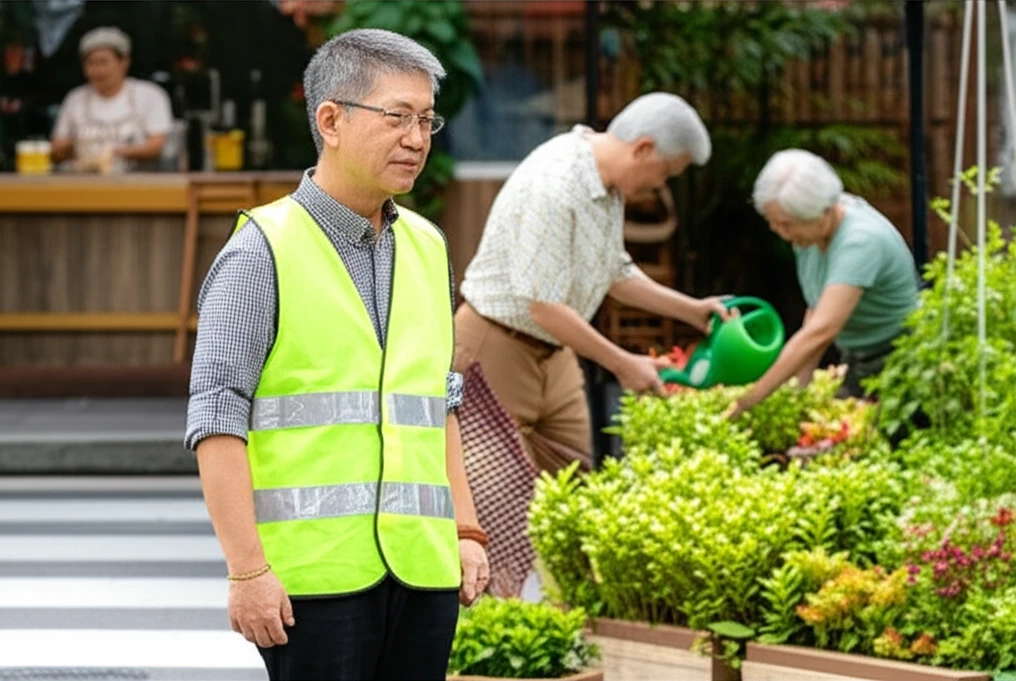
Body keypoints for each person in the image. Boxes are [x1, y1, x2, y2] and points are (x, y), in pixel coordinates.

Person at [185, 29, 489, 681]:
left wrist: (466, 531)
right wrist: (247, 570)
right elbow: (216, 420)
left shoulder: (429, 247)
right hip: (312, 583)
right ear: (331, 120)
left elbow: (441, 401)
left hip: (423, 572)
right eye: (398, 116)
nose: (417, 138)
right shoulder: (259, 251)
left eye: (427, 119)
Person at [455, 92, 730, 471]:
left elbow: (613, 271)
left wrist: (692, 311)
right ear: (644, 149)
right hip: (497, 346)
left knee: (574, 482)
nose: (659, 184)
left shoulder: (608, 184)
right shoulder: (554, 184)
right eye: (666, 172)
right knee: (494, 499)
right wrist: (621, 363)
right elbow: (543, 305)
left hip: (555, 352)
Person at [726, 149, 919, 419]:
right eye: (775, 224)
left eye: (786, 225)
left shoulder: (860, 242)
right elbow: (816, 311)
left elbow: (822, 330)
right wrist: (798, 395)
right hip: (858, 358)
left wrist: (750, 400)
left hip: (899, 362)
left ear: (824, 212)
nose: (781, 233)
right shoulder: (808, 233)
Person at [51, 27, 173, 173]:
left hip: (137, 183)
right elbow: (57, 148)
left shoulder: (150, 95)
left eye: (103, 62)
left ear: (124, 62)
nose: (97, 70)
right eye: (91, 63)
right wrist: (69, 148)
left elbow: (156, 146)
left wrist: (115, 154)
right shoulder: (75, 99)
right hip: (83, 184)